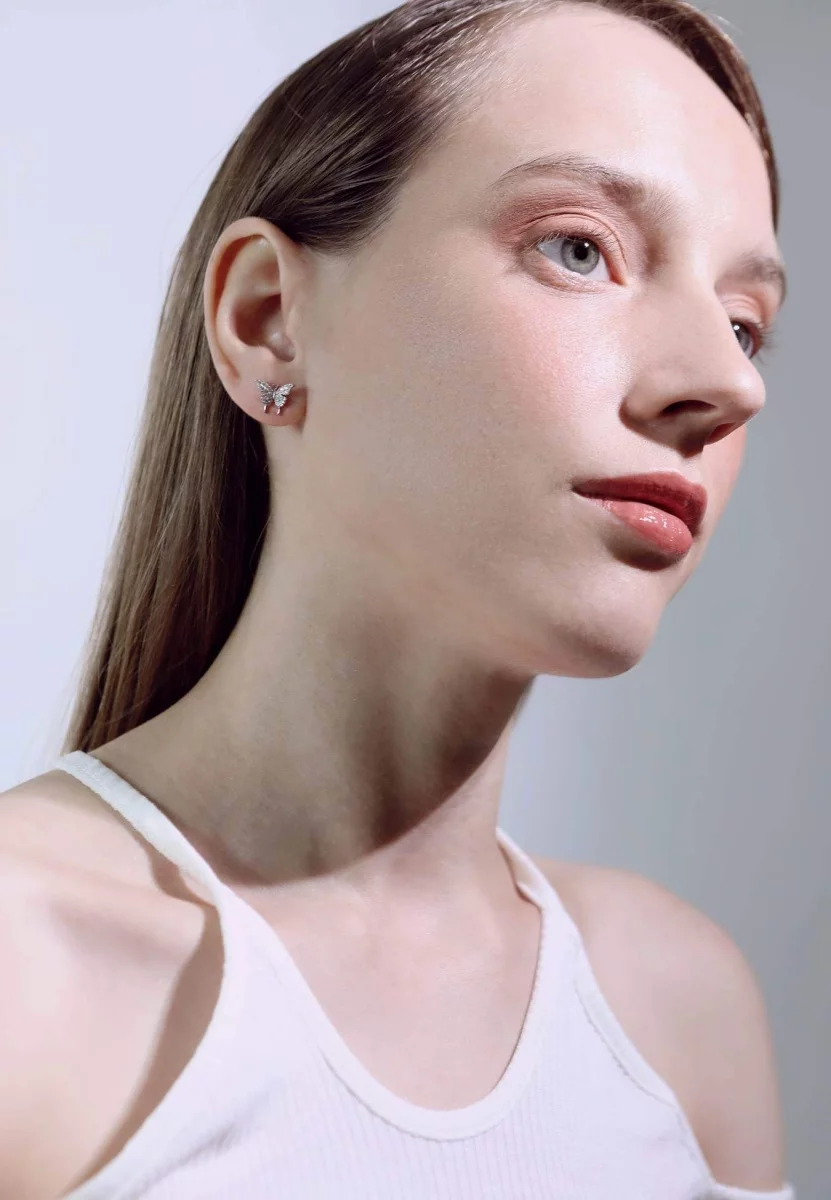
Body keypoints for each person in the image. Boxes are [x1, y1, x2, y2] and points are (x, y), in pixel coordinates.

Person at [0, 0, 794, 1196]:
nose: (728, 385)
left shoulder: (681, 1015)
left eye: (745, 324)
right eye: (579, 249)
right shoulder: (23, 973)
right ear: (269, 322)